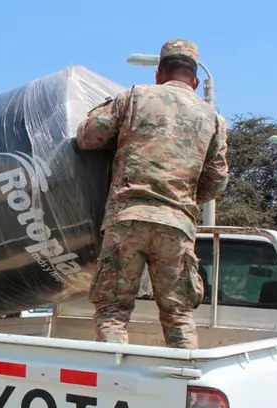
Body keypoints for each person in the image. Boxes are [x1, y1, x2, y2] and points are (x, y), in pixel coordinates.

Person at [75, 39, 229, 349]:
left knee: (112, 312)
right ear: (196, 82)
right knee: (179, 315)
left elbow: (88, 138)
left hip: (127, 220)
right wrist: (180, 198)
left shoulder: (134, 97)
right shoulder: (214, 119)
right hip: (176, 226)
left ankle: (116, 376)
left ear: (159, 73)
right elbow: (216, 182)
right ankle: (182, 381)